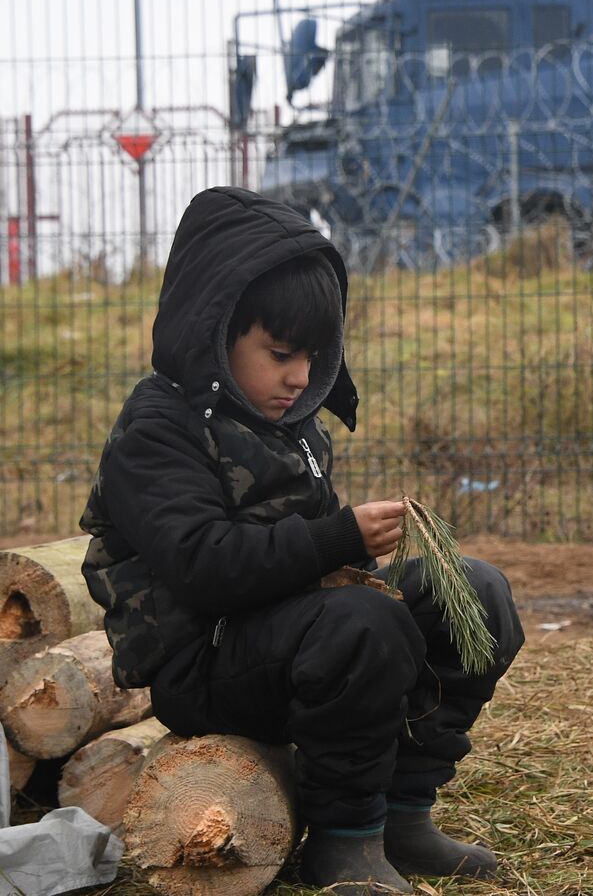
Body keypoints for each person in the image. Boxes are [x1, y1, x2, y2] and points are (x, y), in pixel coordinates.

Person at [78, 186, 524, 894]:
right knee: (363, 624)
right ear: (213, 329)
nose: (301, 378)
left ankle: (403, 815)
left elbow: (312, 555)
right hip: (203, 662)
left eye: (315, 358)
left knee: (476, 592)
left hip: (284, 638)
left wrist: (364, 548)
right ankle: (343, 842)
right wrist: (337, 537)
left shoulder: (285, 420)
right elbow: (204, 568)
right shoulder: (157, 432)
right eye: (281, 353)